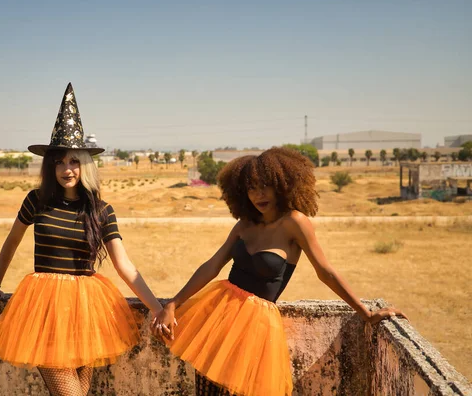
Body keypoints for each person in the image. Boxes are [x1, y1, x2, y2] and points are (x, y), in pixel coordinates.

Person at [152, 147, 407, 396]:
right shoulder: (244, 225)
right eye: (252, 187)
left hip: (256, 327)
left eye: (266, 185)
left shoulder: (294, 222)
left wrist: (366, 313)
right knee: (207, 391)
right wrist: (174, 303)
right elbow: (212, 265)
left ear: (282, 184)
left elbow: (325, 271)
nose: (258, 194)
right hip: (218, 318)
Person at [0, 83, 162, 396]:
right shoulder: (36, 200)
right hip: (44, 308)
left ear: (85, 164)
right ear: (51, 165)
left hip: (87, 310)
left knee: (79, 390)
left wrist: (157, 307)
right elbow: (11, 243)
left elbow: (124, 264)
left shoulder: (102, 210)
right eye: (60, 161)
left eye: (74, 161)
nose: (67, 169)